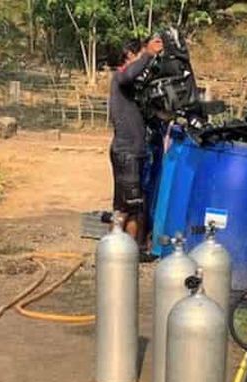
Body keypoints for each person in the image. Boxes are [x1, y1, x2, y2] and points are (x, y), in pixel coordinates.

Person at [109, 35, 163, 257]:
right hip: (127, 153)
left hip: (133, 152)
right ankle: (119, 252)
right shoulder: (121, 77)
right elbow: (128, 74)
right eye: (139, 56)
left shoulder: (133, 88)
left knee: (131, 205)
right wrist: (148, 54)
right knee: (128, 207)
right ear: (130, 56)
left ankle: (129, 251)